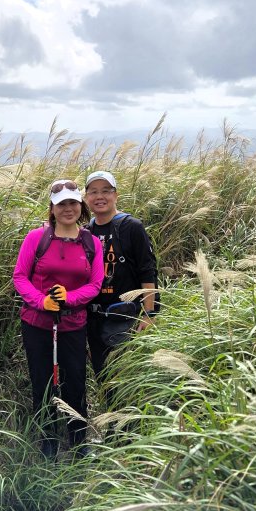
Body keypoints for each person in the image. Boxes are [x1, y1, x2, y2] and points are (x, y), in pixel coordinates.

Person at [13, 179, 104, 459]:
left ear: (81, 206)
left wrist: (68, 299)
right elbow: (20, 277)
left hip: (73, 325)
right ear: (52, 208)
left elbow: (95, 284)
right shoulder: (36, 239)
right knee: (42, 382)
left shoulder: (90, 242)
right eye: (61, 203)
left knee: (75, 382)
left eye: (73, 203)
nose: (68, 208)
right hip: (37, 324)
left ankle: (78, 440)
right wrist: (42, 301)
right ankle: (48, 441)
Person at [83, 170, 159, 409]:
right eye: (93, 191)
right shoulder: (86, 232)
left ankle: (129, 437)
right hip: (94, 318)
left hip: (126, 316)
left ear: (116, 195)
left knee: (127, 381)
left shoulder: (130, 227)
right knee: (104, 380)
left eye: (106, 191)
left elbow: (148, 271)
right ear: (86, 198)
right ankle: (113, 435)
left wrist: (150, 314)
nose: (100, 196)